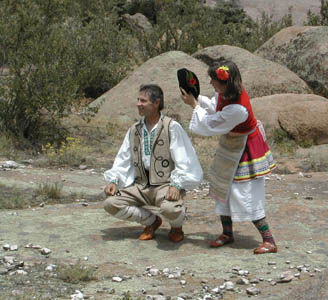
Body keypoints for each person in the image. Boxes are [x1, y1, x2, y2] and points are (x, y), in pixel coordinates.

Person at [180, 61, 277, 254]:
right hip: (232, 144)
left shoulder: (238, 109)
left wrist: (194, 105)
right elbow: (217, 107)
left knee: (246, 194)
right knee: (221, 186)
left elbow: (210, 124)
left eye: (214, 80)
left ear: (225, 82)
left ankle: (269, 240)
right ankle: (227, 233)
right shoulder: (227, 94)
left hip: (245, 148)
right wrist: (197, 97)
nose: (210, 82)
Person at [103, 84, 203, 243]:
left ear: (156, 103)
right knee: (111, 204)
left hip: (164, 185)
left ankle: (177, 227)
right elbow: (123, 158)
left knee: (170, 208)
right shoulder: (134, 129)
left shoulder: (171, 127)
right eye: (138, 100)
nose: (138, 104)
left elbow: (185, 159)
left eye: (143, 101)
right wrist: (114, 181)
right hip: (140, 185)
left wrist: (176, 185)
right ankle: (152, 222)